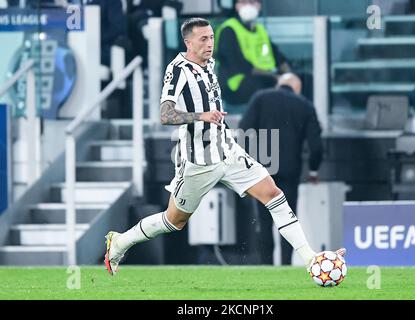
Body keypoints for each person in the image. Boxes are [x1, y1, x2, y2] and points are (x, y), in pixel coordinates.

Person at [103, 18, 345, 275]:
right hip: (199, 160)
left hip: (227, 149)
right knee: (174, 221)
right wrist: (200, 115)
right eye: (203, 39)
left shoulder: (210, 64)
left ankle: (310, 259)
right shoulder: (178, 70)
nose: (210, 44)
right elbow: (165, 115)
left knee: (274, 194)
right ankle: (120, 242)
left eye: (212, 38)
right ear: (188, 42)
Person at [239, 73, 323, 265]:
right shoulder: (305, 106)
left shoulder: (260, 98)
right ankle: (286, 263)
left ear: (279, 84)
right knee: (288, 218)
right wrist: (313, 170)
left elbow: (244, 129)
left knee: (264, 219)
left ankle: (266, 264)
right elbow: (316, 145)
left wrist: (246, 162)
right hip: (290, 170)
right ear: (297, 88)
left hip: (263, 170)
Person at [215, 0, 291, 112]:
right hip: (237, 85)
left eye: (252, 2)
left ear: (259, 6)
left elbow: (278, 56)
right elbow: (238, 64)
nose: (248, 6)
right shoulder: (228, 29)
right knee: (264, 85)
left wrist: (289, 75)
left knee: (302, 79)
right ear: (236, 6)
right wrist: (275, 77)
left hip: (265, 78)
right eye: (244, 2)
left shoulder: (260, 29)